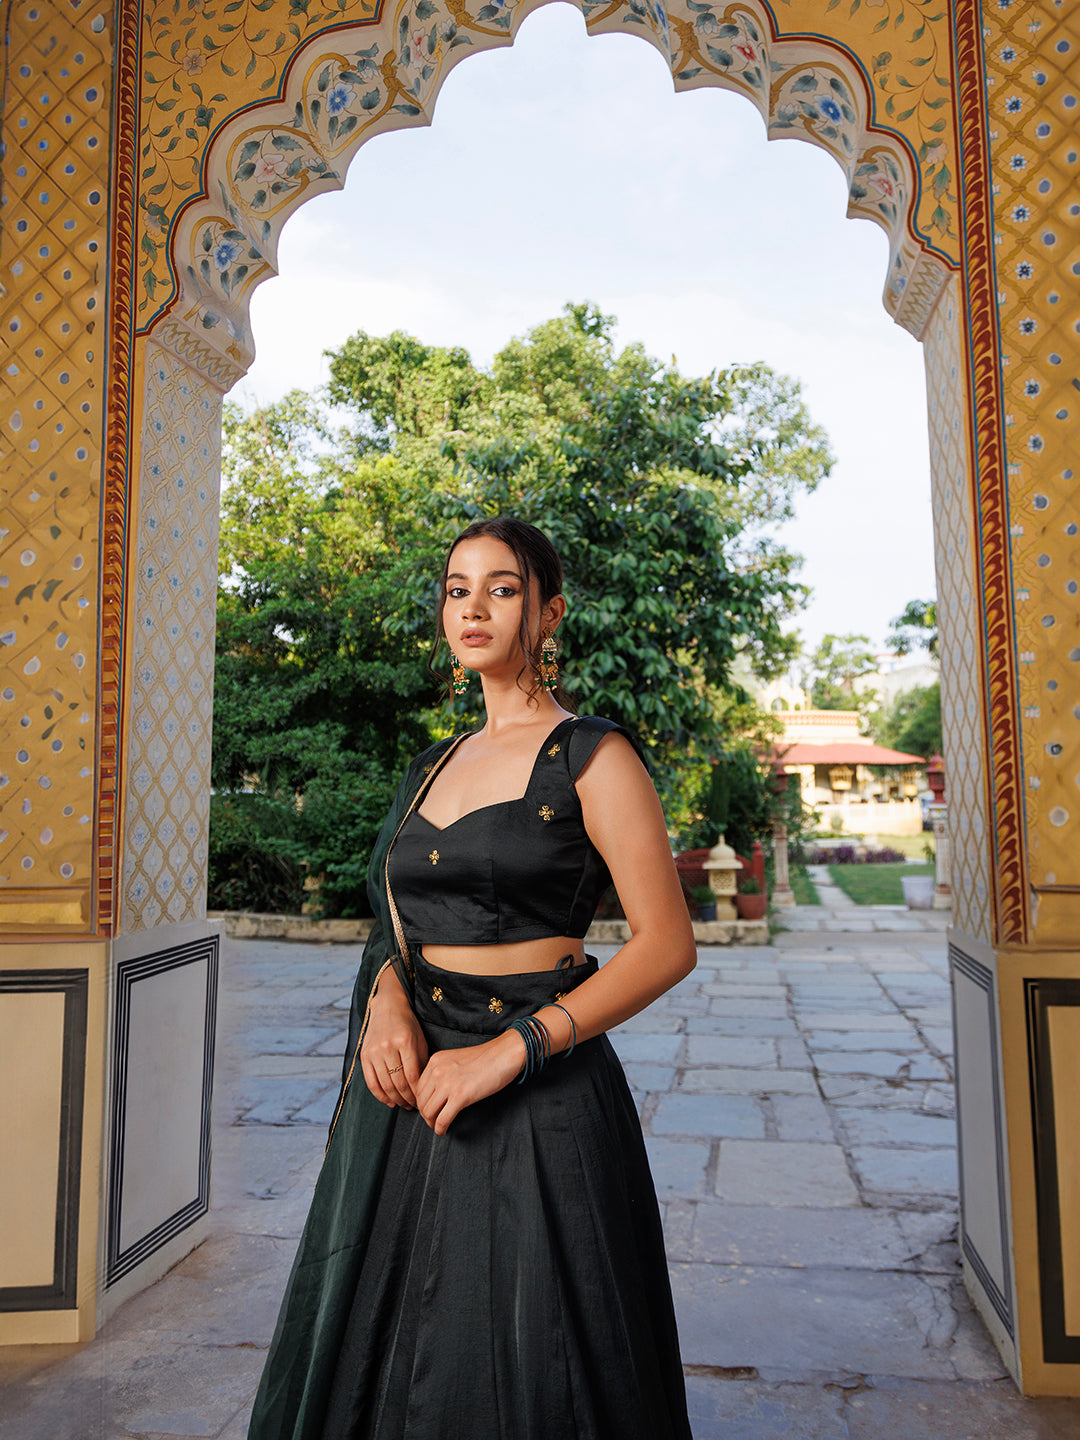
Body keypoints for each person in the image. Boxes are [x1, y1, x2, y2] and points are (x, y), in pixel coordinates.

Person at [247, 517, 697, 1440]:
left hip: (540, 1091)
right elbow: (395, 924)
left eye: (502, 587)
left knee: (536, 1355)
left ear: (548, 613)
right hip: (414, 1090)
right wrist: (384, 1008)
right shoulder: (432, 764)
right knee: (398, 1346)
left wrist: (511, 1052)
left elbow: (666, 945)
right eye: (458, 589)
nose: (474, 607)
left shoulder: (593, 756)